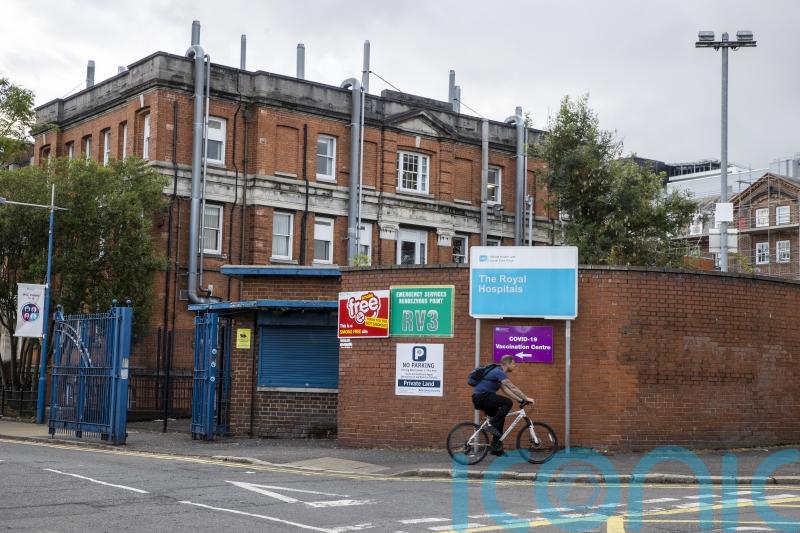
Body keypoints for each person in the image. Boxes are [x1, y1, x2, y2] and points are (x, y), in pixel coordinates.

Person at [472, 355, 534, 455]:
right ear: (507, 364)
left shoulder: (498, 373)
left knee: (500, 418)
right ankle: (491, 424)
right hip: (482, 397)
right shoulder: (498, 372)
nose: (515, 366)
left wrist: (520, 400)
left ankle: (496, 448)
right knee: (508, 403)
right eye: (513, 364)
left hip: (484, 398)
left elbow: (506, 390)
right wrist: (526, 398)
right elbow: (512, 387)